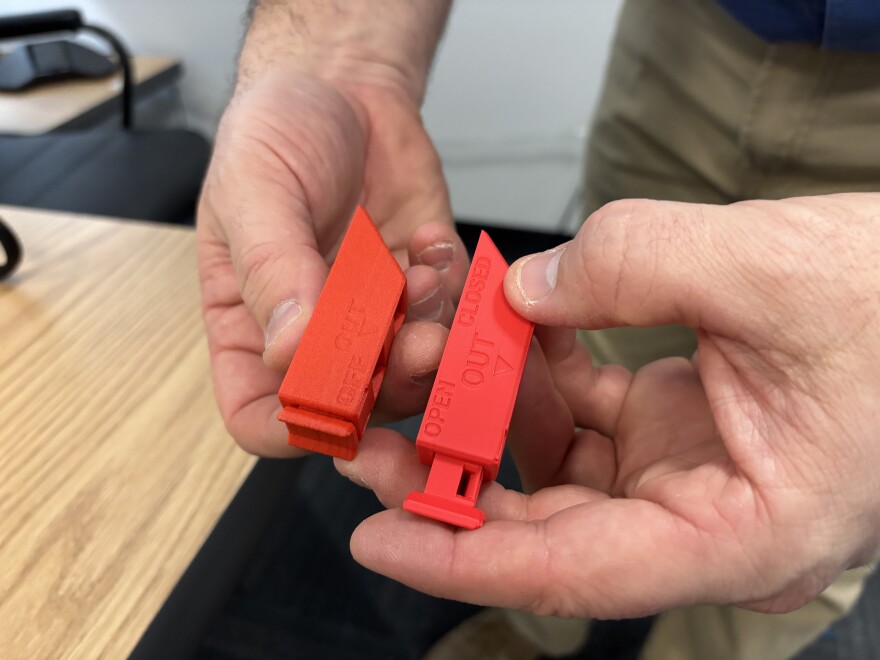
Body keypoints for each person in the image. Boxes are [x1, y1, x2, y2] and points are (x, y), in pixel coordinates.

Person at [196, 0, 880, 657]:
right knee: (587, 393)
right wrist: (341, 59)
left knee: (814, 522)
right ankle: (539, 630)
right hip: (696, 34)